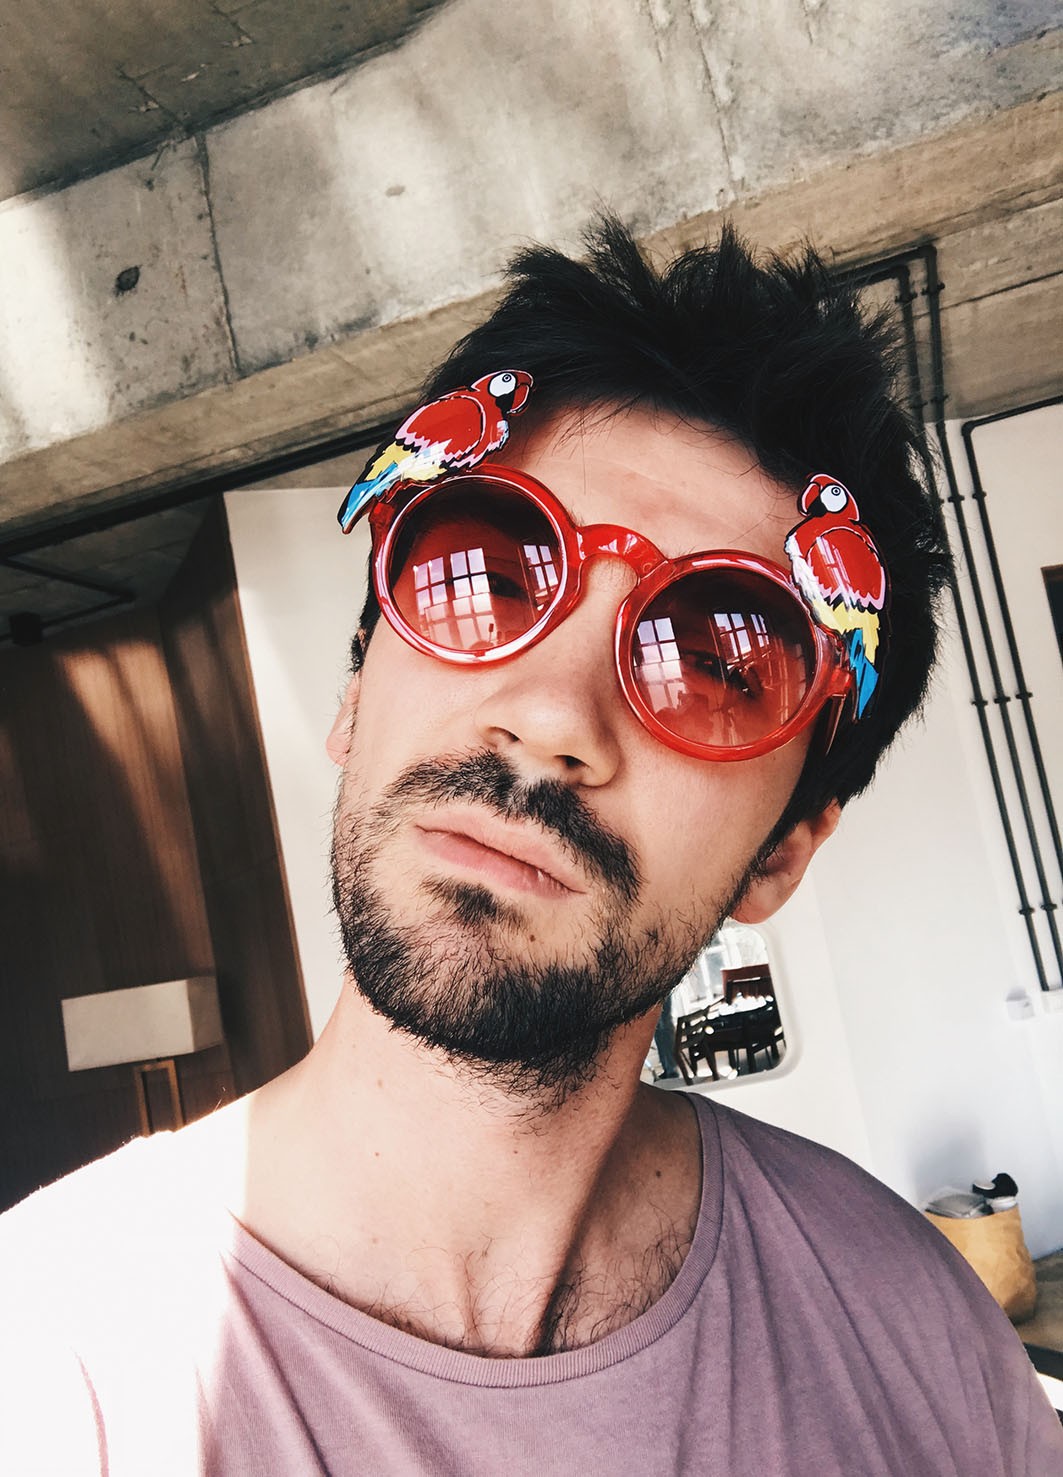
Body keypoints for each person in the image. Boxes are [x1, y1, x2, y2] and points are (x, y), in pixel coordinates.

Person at [2, 221, 1060, 1476]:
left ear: (782, 851)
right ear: (355, 697)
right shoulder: (54, 1367)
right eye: (489, 576)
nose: (552, 716)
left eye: (715, 663)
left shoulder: (918, 1332)